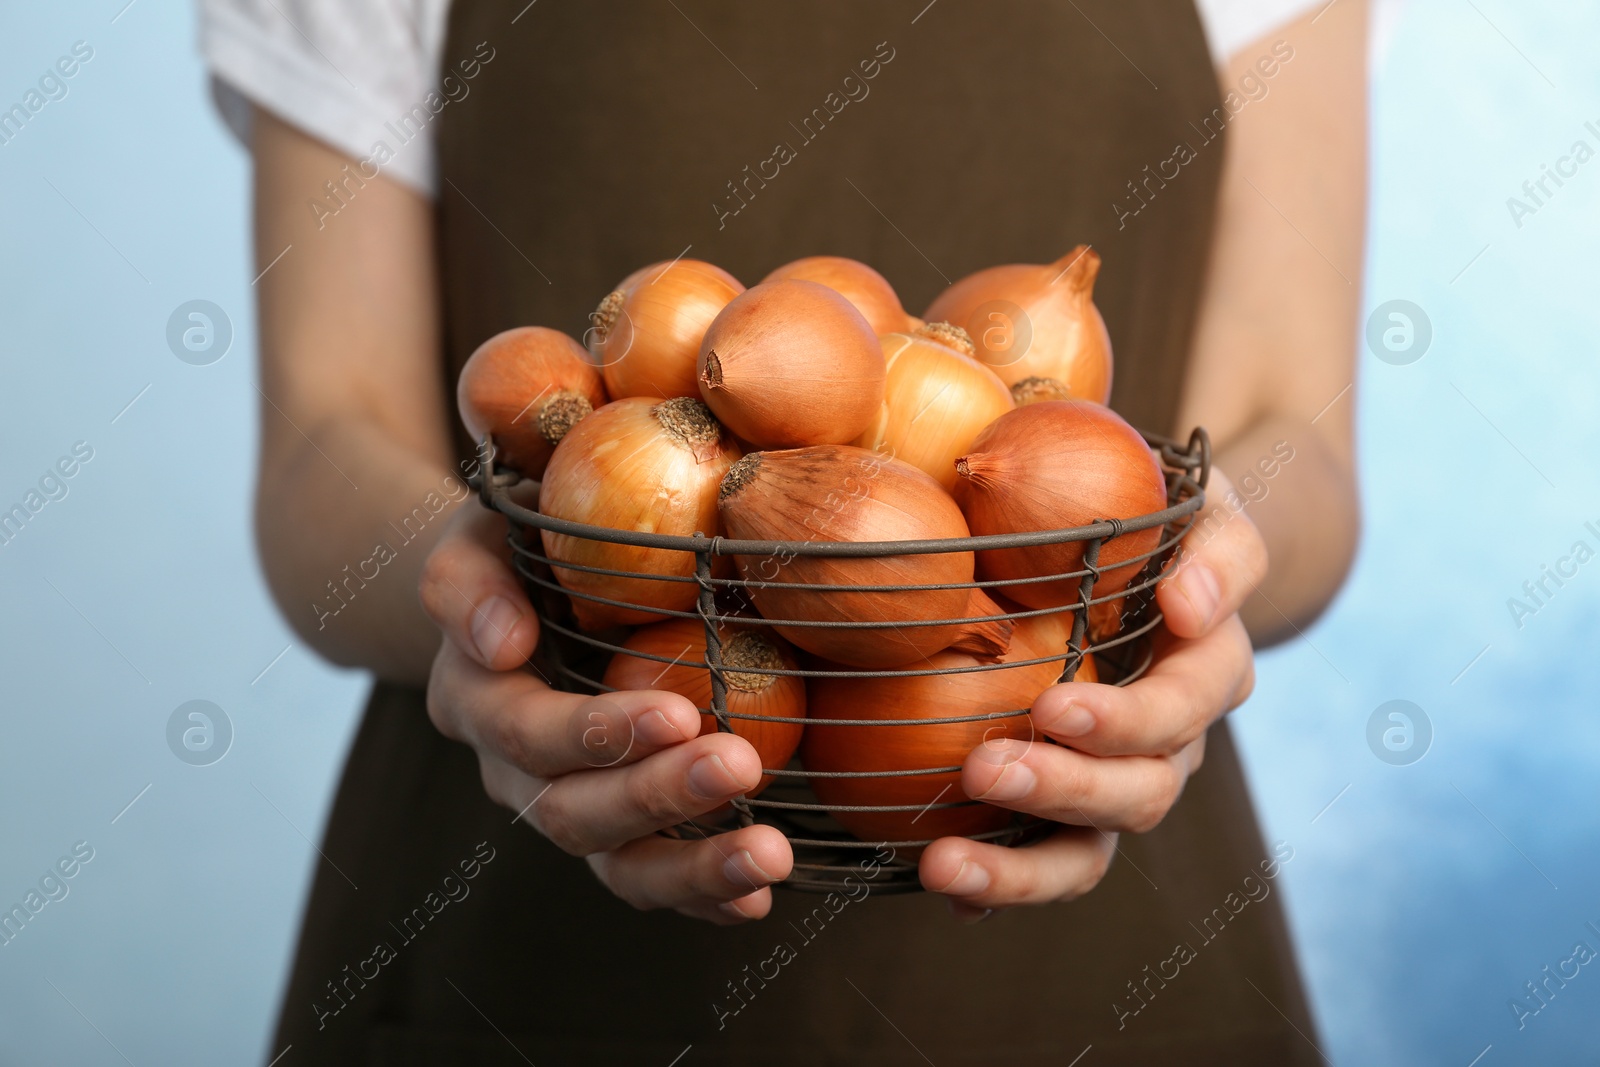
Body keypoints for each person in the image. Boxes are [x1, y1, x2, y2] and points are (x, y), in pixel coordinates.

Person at [205, 0, 1365, 1060]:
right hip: (518, 921)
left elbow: (1293, 440)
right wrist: (475, 599)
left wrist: (1194, 574)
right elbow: (323, 444)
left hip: (1108, 920)